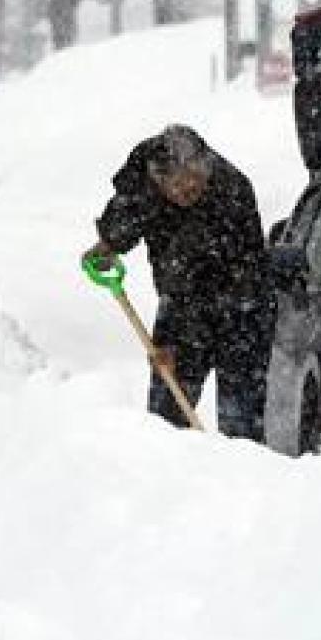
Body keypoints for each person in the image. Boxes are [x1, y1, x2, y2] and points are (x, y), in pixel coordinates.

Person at [85, 125, 273, 440]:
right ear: (159, 181)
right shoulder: (143, 183)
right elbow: (125, 217)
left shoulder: (232, 191)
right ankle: (165, 472)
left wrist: (177, 336)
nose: (191, 190)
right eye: (181, 186)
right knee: (166, 415)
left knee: (242, 418)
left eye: (198, 181)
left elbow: (246, 271)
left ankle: (241, 473)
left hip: (241, 305)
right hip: (182, 301)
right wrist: (107, 245)